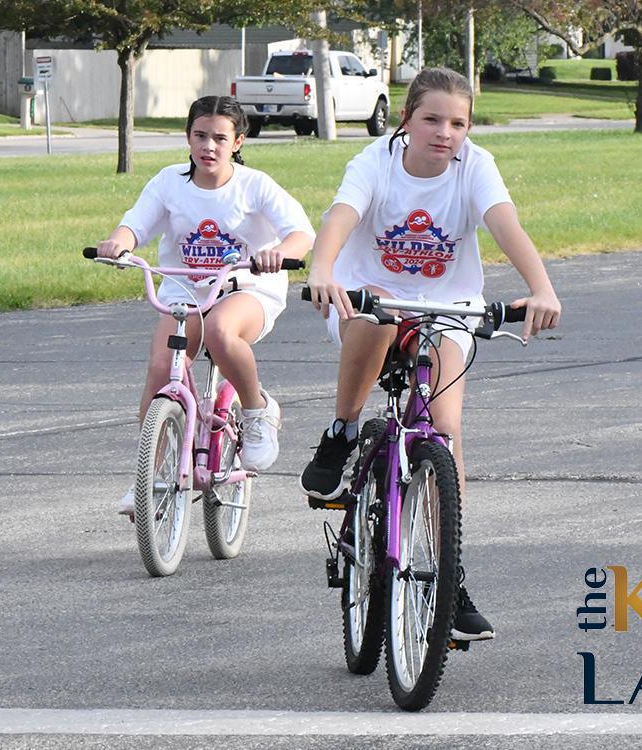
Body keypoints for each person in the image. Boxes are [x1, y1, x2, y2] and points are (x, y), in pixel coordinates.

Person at [300, 67, 561, 641]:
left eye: (458, 122)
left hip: (450, 306)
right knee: (373, 321)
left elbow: (504, 224)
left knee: (444, 429)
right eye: (432, 119)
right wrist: (322, 271)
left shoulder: (476, 167)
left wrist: (541, 287)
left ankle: (450, 574)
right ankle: (343, 430)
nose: (445, 132)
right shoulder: (375, 161)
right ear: (406, 120)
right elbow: (340, 217)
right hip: (371, 296)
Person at [96, 95, 314, 517]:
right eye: (200, 136)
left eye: (219, 138)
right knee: (162, 367)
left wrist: (279, 253)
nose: (208, 146)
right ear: (188, 137)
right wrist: (119, 244)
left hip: (246, 288)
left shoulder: (255, 186)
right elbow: (134, 225)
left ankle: (257, 410)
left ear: (237, 142)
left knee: (220, 331)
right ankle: (151, 477)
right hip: (185, 290)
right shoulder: (168, 183)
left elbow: (301, 232)